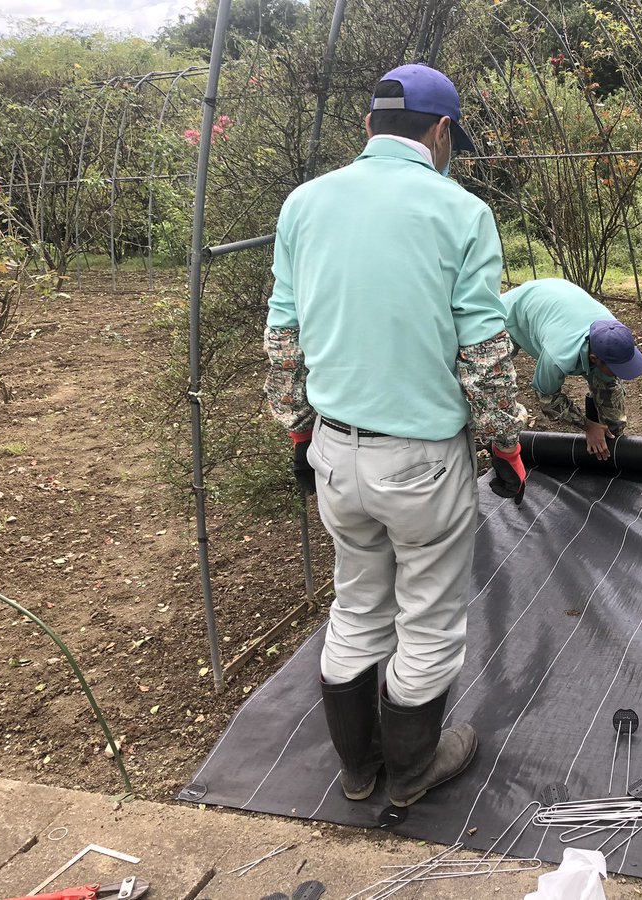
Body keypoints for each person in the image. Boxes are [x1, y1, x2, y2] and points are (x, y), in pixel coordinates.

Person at [263, 63, 528, 809]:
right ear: (441, 132)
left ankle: (357, 770)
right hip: (419, 460)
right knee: (431, 615)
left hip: (334, 451)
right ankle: (413, 770)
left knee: (357, 603)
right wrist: (505, 450)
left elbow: (284, 337)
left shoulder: (305, 203)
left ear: (369, 126)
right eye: (453, 140)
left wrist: (298, 437)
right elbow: (483, 353)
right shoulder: (459, 212)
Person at [501, 278, 642, 460]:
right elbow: (547, 398)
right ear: (594, 359)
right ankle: (494, 437)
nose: (621, 373)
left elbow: (609, 387)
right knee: (496, 377)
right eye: (617, 368)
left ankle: (611, 448)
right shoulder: (558, 355)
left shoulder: (613, 332)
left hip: (559, 299)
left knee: (609, 391)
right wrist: (589, 426)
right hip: (510, 312)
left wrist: (612, 430)